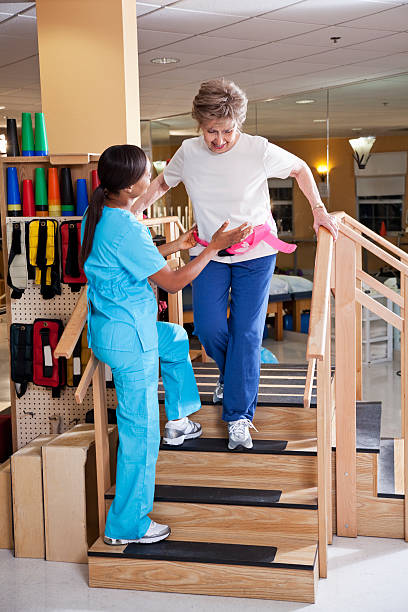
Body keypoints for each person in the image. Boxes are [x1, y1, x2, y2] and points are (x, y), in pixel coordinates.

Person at [133, 78, 338, 451]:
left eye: (227, 131)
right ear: (200, 125)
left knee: (247, 333)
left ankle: (239, 416)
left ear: (237, 125)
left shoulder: (258, 150)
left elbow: (300, 169)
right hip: (211, 253)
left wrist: (319, 210)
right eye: (212, 131)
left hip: (256, 255)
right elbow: (163, 183)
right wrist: (132, 213)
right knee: (210, 329)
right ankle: (233, 374)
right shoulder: (188, 153)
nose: (220, 140)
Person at [80, 144, 251, 546]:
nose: (150, 178)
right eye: (144, 174)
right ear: (125, 188)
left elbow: (125, 259)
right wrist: (211, 248)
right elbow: (173, 283)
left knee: (175, 339)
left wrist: (177, 247)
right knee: (138, 434)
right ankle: (127, 526)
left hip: (109, 330)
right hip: (131, 341)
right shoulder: (125, 225)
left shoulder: (100, 212)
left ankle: (178, 420)